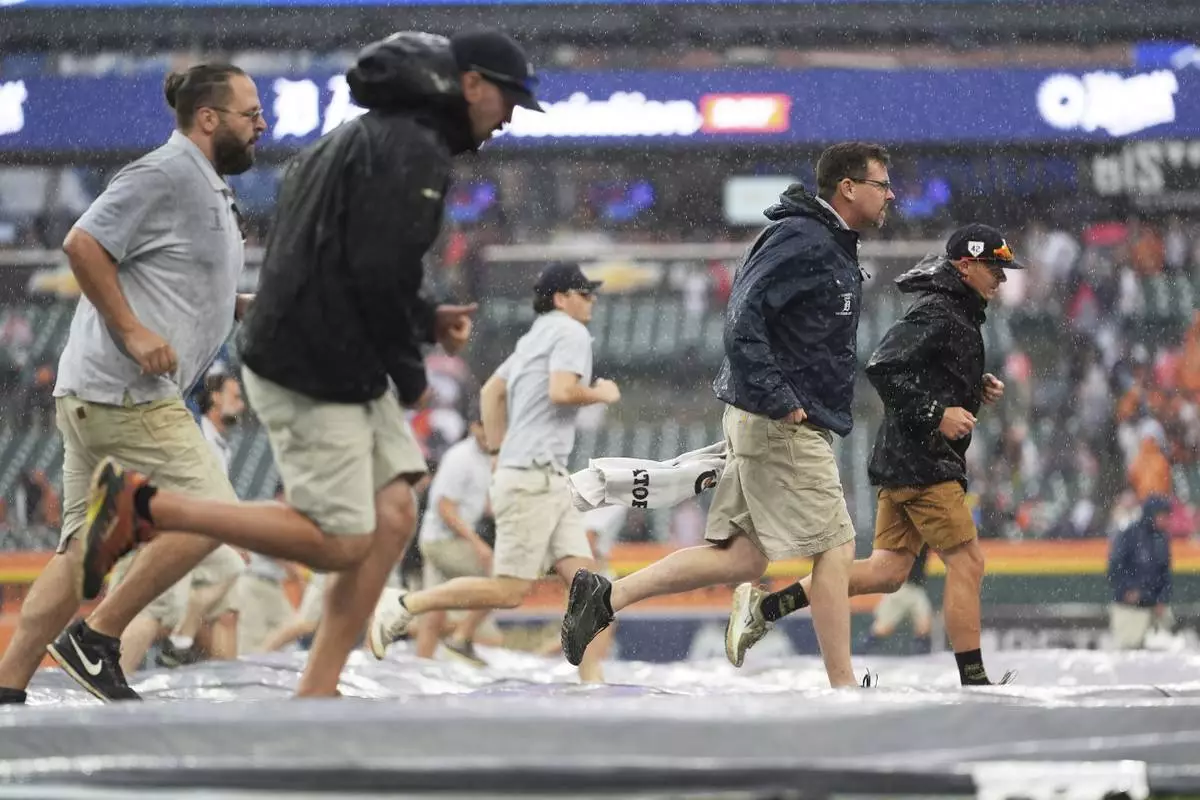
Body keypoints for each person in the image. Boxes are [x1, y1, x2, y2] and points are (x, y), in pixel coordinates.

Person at [71, 28, 542, 699]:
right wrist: (413, 374)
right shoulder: (415, 149)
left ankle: (318, 687)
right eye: (509, 99)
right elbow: (375, 271)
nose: (510, 118)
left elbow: (354, 259)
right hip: (313, 359)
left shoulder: (360, 136)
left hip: (326, 347)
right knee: (339, 540)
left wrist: (423, 318)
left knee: (394, 516)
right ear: (470, 84)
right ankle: (143, 506)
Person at [560, 142, 894, 689]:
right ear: (848, 187)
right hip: (783, 425)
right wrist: (779, 397)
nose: (891, 195)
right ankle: (842, 687)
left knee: (741, 560)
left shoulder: (825, 241)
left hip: (777, 421)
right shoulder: (803, 237)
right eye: (881, 184)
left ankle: (606, 597)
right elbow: (741, 317)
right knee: (835, 548)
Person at [0, 63, 266, 705]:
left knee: (80, 554)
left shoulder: (206, 186)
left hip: (99, 395)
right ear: (208, 118)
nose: (262, 125)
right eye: (251, 113)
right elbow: (83, 244)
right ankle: (96, 638)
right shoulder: (166, 173)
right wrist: (133, 331)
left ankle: (6, 687)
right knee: (215, 516)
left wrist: (236, 306)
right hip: (129, 393)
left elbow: (172, 276)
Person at [725, 223, 1024, 687]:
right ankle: (975, 682)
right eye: (994, 268)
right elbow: (883, 365)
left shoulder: (954, 309)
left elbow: (922, 371)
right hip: (925, 464)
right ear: (965, 266)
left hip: (904, 461)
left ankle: (766, 607)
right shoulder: (941, 310)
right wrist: (937, 413)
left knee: (887, 572)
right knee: (968, 563)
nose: (1001, 279)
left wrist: (969, 387)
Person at [366, 263, 618, 683]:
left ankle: (592, 683)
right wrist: (600, 393)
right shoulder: (570, 332)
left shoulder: (533, 338)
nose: (591, 299)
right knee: (509, 591)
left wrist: (499, 452)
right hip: (534, 478)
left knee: (587, 588)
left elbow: (491, 391)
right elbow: (561, 392)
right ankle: (406, 604)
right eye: (584, 292)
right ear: (561, 299)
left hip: (541, 476)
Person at [114, 371, 249, 673]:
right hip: (165, 528)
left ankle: (193, 650)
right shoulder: (194, 432)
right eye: (236, 396)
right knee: (155, 612)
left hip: (193, 529)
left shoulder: (218, 444)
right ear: (215, 397)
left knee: (229, 589)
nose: (241, 405)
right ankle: (109, 680)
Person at [411, 414, 497, 666]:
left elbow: (480, 503)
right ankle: (461, 637)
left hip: (435, 539)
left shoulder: (485, 458)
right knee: (503, 579)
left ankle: (422, 665)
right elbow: (445, 508)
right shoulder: (461, 458)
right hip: (444, 541)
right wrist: (478, 544)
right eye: (485, 426)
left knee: (434, 610)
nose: (490, 433)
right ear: (473, 426)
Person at [1107, 494, 1173, 650]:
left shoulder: (1162, 539)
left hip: (1153, 608)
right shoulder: (1129, 534)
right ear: (1151, 514)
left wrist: (1162, 598)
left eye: (1167, 516)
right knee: (1129, 650)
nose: (1165, 520)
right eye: (1161, 515)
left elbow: (1165, 573)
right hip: (1129, 609)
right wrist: (1128, 590)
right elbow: (1115, 568)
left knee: (1162, 650)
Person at [864, 545, 932, 654]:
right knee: (882, 629)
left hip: (916, 589)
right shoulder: (903, 539)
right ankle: (859, 653)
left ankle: (923, 657)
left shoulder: (923, 539)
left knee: (924, 626)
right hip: (900, 588)